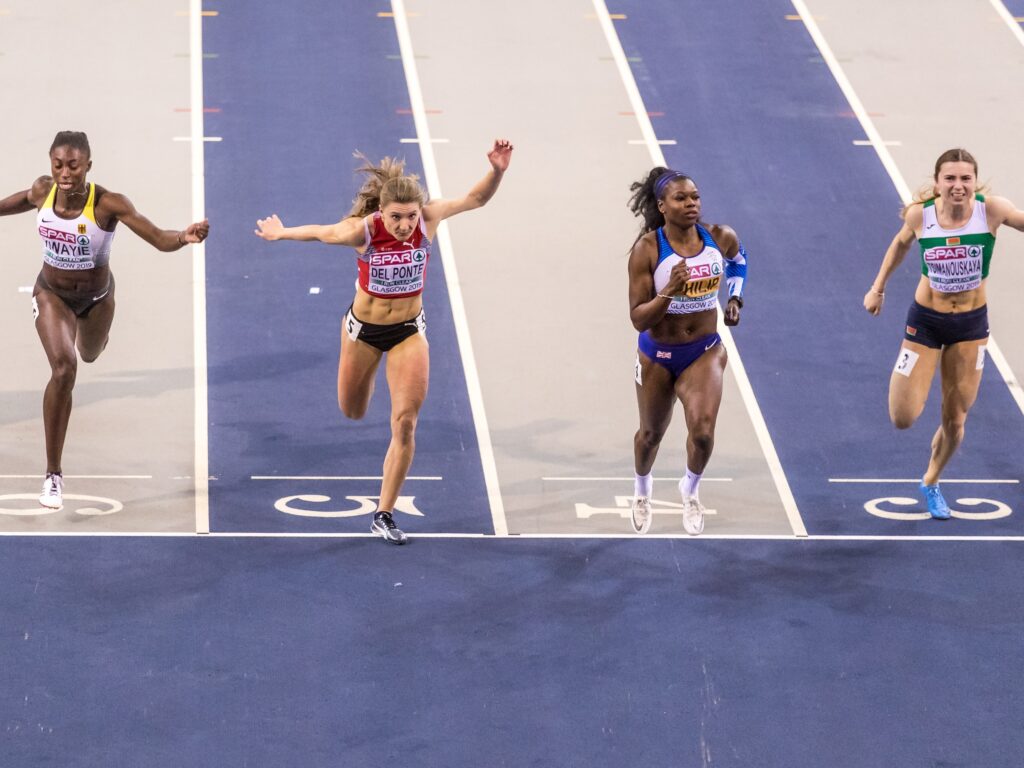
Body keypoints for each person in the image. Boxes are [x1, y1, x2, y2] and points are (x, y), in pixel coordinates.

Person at [254, 139, 513, 544]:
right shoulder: (363, 231)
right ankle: (371, 371)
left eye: (409, 217)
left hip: (409, 331)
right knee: (353, 410)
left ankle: (384, 513)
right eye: (396, 217)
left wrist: (497, 171)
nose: (405, 225)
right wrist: (281, 232)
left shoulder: (429, 219)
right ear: (382, 212)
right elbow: (321, 233)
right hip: (363, 332)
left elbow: (474, 199)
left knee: (406, 422)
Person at [0, 131, 209, 511]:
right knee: (65, 370)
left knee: (90, 353)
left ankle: (92, 336)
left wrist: (184, 236)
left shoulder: (109, 204)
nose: (65, 173)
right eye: (58, 165)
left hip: (96, 300)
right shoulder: (40, 192)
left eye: (73, 166)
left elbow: (159, 238)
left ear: (88, 166)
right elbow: (7, 205)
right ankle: (53, 475)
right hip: (52, 295)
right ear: (51, 165)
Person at [864, 148, 1024, 519]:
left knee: (955, 418)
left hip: (970, 327)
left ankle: (931, 481)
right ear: (937, 183)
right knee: (902, 417)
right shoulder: (921, 215)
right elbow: (901, 243)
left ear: (975, 182)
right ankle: (915, 378)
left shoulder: (991, 211)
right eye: (950, 178)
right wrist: (878, 288)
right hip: (926, 322)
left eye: (965, 178)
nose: (958, 186)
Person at [627, 168, 747, 535]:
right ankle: (642, 490)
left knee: (703, 434)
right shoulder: (648, 250)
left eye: (695, 196)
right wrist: (669, 292)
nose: (691, 204)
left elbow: (739, 259)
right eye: (681, 198)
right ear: (663, 206)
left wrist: (736, 297)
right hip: (658, 354)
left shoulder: (718, 237)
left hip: (704, 350)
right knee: (650, 435)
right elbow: (637, 318)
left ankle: (690, 490)